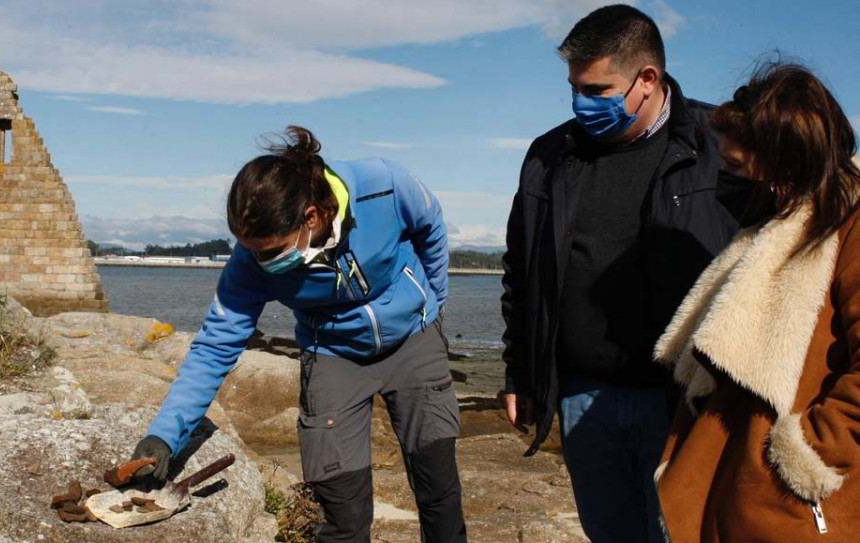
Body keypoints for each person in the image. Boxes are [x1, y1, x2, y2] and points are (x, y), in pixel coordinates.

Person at [130, 126, 467, 542]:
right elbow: (215, 345)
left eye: (271, 251)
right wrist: (164, 435)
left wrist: (433, 307)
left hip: (415, 341)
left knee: (439, 492)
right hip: (332, 355)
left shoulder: (383, 184)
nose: (259, 261)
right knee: (341, 513)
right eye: (250, 250)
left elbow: (430, 227)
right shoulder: (251, 264)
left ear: (311, 217)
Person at [500, 5, 740, 542]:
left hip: (685, 399)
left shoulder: (721, 145)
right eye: (575, 88)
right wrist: (521, 374)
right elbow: (522, 272)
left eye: (598, 89)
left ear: (647, 78)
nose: (582, 103)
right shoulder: (548, 156)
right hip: (584, 394)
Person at [653, 62, 860, 542]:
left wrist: (807, 452)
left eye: (735, 168)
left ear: (785, 164)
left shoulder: (846, 225)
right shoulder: (775, 226)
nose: (724, 180)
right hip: (735, 487)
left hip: (791, 505)